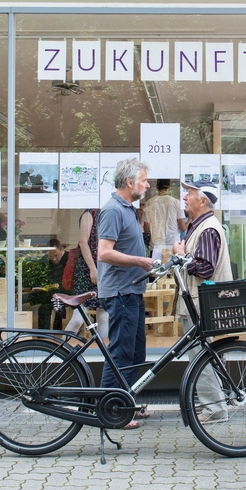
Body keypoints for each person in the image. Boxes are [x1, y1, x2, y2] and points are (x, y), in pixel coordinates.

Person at [97, 158, 154, 429]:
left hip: (133, 291)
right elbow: (104, 253)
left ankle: (125, 401)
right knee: (120, 354)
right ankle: (111, 411)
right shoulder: (112, 210)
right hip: (121, 293)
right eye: (144, 180)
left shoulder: (129, 210)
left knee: (136, 354)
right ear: (130, 183)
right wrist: (140, 261)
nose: (148, 184)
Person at [171, 179, 231, 423]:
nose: (184, 198)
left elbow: (205, 268)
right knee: (204, 354)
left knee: (199, 356)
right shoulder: (201, 226)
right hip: (200, 302)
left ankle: (215, 409)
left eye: (189, 194)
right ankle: (218, 402)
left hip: (200, 303)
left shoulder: (207, 229)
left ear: (203, 200)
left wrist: (181, 255)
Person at [60, 211, 109, 337]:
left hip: (104, 268)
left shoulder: (106, 213)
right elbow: (83, 242)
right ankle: (63, 348)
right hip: (87, 270)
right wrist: (92, 268)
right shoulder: (90, 214)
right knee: (78, 318)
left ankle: (103, 352)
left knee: (103, 316)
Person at [144, 179, 186, 262]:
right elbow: (182, 228)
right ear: (169, 187)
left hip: (156, 245)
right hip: (173, 244)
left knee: (157, 272)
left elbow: (146, 229)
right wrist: (190, 219)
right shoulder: (177, 203)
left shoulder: (149, 203)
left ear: (156, 186)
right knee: (172, 272)